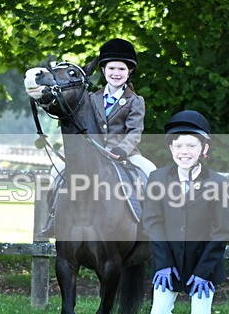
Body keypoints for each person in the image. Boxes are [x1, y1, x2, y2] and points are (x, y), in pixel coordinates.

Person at [142, 110, 229, 314]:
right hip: (167, 263)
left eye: (191, 145)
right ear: (171, 148)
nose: (184, 151)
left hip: (203, 265)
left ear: (204, 148)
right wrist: (163, 263)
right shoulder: (157, 178)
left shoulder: (218, 183)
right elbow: (152, 222)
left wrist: (204, 271)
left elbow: (221, 230)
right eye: (178, 145)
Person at [25, 38, 155, 236]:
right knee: (57, 171)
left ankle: (148, 224)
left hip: (124, 154)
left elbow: (134, 131)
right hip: (92, 153)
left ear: (129, 72)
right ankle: (53, 218)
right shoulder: (92, 98)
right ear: (103, 70)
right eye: (111, 68)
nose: (116, 73)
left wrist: (122, 150)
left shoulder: (135, 101)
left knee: (149, 172)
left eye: (121, 69)